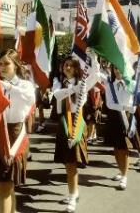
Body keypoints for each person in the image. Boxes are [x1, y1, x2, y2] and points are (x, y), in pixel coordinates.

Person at [0, 49, 35, 213]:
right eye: (0, 64)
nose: (2, 67)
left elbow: (30, 98)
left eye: (6, 63)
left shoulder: (25, 85)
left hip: (15, 135)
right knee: (5, 185)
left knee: (5, 185)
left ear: (16, 65)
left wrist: (8, 87)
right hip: (0, 135)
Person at [51, 56, 97, 212]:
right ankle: (74, 192)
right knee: (67, 162)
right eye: (65, 65)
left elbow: (95, 75)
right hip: (63, 122)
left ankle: (72, 197)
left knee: (72, 163)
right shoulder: (58, 82)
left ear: (77, 68)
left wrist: (93, 57)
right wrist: (72, 89)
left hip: (76, 123)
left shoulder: (82, 83)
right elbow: (57, 95)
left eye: (70, 65)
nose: (67, 68)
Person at [99, 63, 137, 190]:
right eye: (115, 68)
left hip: (126, 118)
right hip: (115, 117)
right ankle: (121, 171)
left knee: (124, 148)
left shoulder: (131, 83)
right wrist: (126, 107)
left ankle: (125, 176)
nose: (117, 70)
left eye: (119, 68)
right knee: (116, 148)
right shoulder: (110, 84)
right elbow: (110, 104)